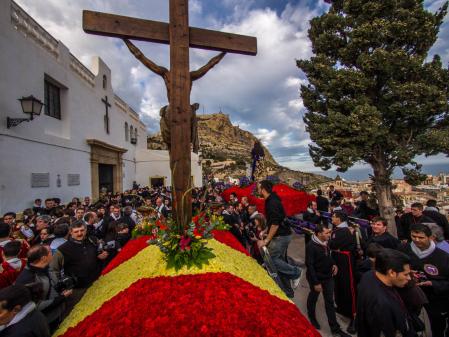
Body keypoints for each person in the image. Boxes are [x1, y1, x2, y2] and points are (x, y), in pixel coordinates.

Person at [399, 224, 449, 337]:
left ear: (431, 237)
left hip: (435, 300)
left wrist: (433, 283)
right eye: (413, 236)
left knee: (437, 327)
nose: (416, 240)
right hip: (408, 296)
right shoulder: (403, 250)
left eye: (421, 237)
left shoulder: (443, 257)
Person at [50, 221, 109, 315]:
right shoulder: (62, 249)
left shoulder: (92, 240)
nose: (80, 233)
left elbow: (98, 253)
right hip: (78, 289)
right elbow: (53, 269)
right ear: (70, 232)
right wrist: (61, 288)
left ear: (86, 230)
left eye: (82, 230)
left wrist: (101, 256)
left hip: (97, 282)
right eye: (76, 231)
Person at [256, 180, 301, 298]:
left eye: (258, 188)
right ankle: (288, 291)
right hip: (281, 235)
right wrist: (265, 231)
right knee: (280, 265)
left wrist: (266, 240)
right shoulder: (271, 200)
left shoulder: (272, 203)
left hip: (281, 237)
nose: (257, 190)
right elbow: (274, 221)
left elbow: (275, 224)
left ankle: (296, 273)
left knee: (270, 259)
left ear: (263, 189)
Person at [356, 249, 415, 337]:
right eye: (405, 274)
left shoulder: (369, 275)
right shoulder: (381, 304)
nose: (409, 278)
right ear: (391, 272)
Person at [306, 224, 350, 337]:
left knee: (329, 302)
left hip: (328, 277)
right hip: (316, 278)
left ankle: (335, 329)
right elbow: (309, 265)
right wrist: (315, 283)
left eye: (329, 233)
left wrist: (334, 264)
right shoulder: (311, 246)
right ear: (319, 234)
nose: (329, 235)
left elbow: (329, 256)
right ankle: (312, 317)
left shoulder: (326, 243)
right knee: (313, 297)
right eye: (326, 233)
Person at [16, 245, 71, 330]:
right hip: (48, 320)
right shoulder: (28, 279)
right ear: (44, 258)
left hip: (59, 311)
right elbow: (35, 305)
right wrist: (62, 297)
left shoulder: (46, 267)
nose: (52, 254)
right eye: (50, 252)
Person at [329, 211, 357, 333]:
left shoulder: (344, 231)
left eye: (333, 217)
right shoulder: (339, 229)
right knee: (339, 284)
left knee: (348, 286)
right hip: (338, 258)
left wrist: (327, 241)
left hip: (345, 260)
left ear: (339, 219)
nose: (332, 218)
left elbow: (332, 244)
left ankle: (353, 315)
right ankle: (342, 307)